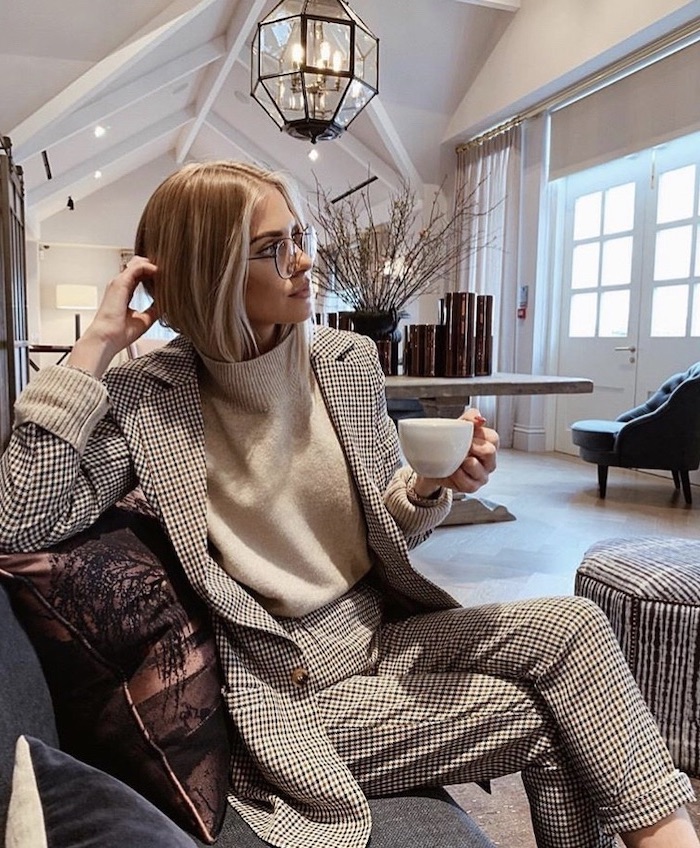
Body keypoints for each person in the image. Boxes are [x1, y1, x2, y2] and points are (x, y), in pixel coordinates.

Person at [0, 160, 697, 848]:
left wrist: (433, 487)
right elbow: (17, 517)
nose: (303, 261)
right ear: (211, 272)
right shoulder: (146, 396)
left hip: (382, 631)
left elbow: (395, 517)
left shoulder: (345, 360)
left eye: (299, 237)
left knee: (575, 625)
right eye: (274, 249)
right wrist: (95, 347)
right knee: (549, 723)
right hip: (286, 691)